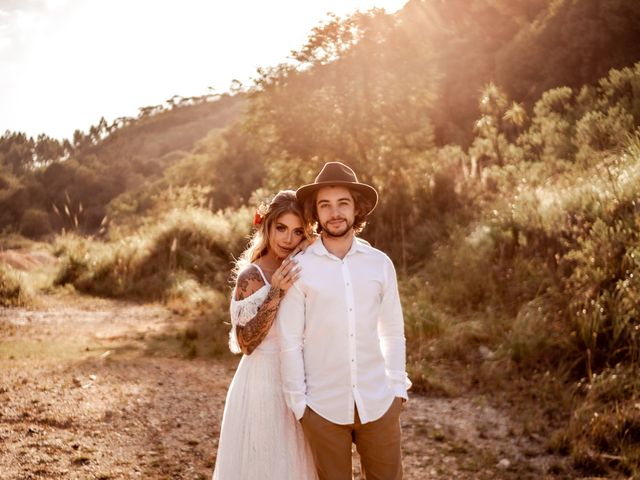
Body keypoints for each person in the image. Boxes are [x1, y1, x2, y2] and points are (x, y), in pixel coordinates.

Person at [278, 162, 411, 480]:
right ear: (316, 212)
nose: (334, 213)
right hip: (322, 409)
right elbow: (290, 340)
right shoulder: (300, 267)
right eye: (325, 205)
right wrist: (300, 406)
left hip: (378, 403)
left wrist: (397, 388)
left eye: (343, 203)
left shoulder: (379, 264)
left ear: (357, 209)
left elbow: (392, 330)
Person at [212, 190, 317, 480]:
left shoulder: (303, 265)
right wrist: (277, 291)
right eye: (281, 228)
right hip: (260, 382)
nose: (288, 239)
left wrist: (310, 245)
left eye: (298, 232)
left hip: (299, 380)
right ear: (267, 227)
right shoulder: (252, 275)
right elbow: (246, 343)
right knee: (262, 463)